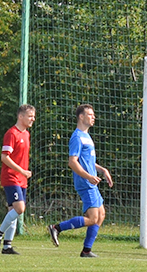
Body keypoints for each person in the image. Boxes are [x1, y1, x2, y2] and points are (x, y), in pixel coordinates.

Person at [47, 104, 113, 257]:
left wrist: (102, 170)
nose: (93, 117)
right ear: (81, 117)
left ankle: (86, 250)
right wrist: (88, 176)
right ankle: (57, 228)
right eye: (90, 114)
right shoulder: (77, 137)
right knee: (92, 218)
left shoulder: (87, 136)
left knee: (101, 214)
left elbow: (88, 161)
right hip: (85, 182)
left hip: (91, 181)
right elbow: (73, 162)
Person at [0, 104, 37, 255]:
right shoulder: (12, 133)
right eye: (30, 116)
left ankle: (7, 246)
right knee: (20, 208)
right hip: (11, 177)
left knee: (14, 211)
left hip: (21, 178)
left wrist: (23, 173)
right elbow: (4, 157)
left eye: (33, 116)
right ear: (20, 116)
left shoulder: (26, 134)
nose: (33, 119)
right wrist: (21, 170)